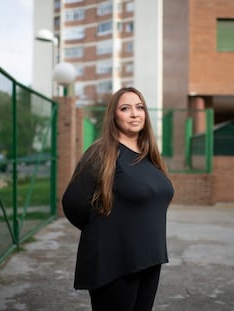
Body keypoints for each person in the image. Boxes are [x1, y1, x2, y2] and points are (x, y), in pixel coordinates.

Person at [62, 87, 174, 311]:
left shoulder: (149, 155)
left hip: (150, 258)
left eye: (139, 107)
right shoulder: (101, 153)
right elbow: (73, 204)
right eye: (125, 108)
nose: (135, 113)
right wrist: (106, 231)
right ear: (114, 115)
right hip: (115, 261)